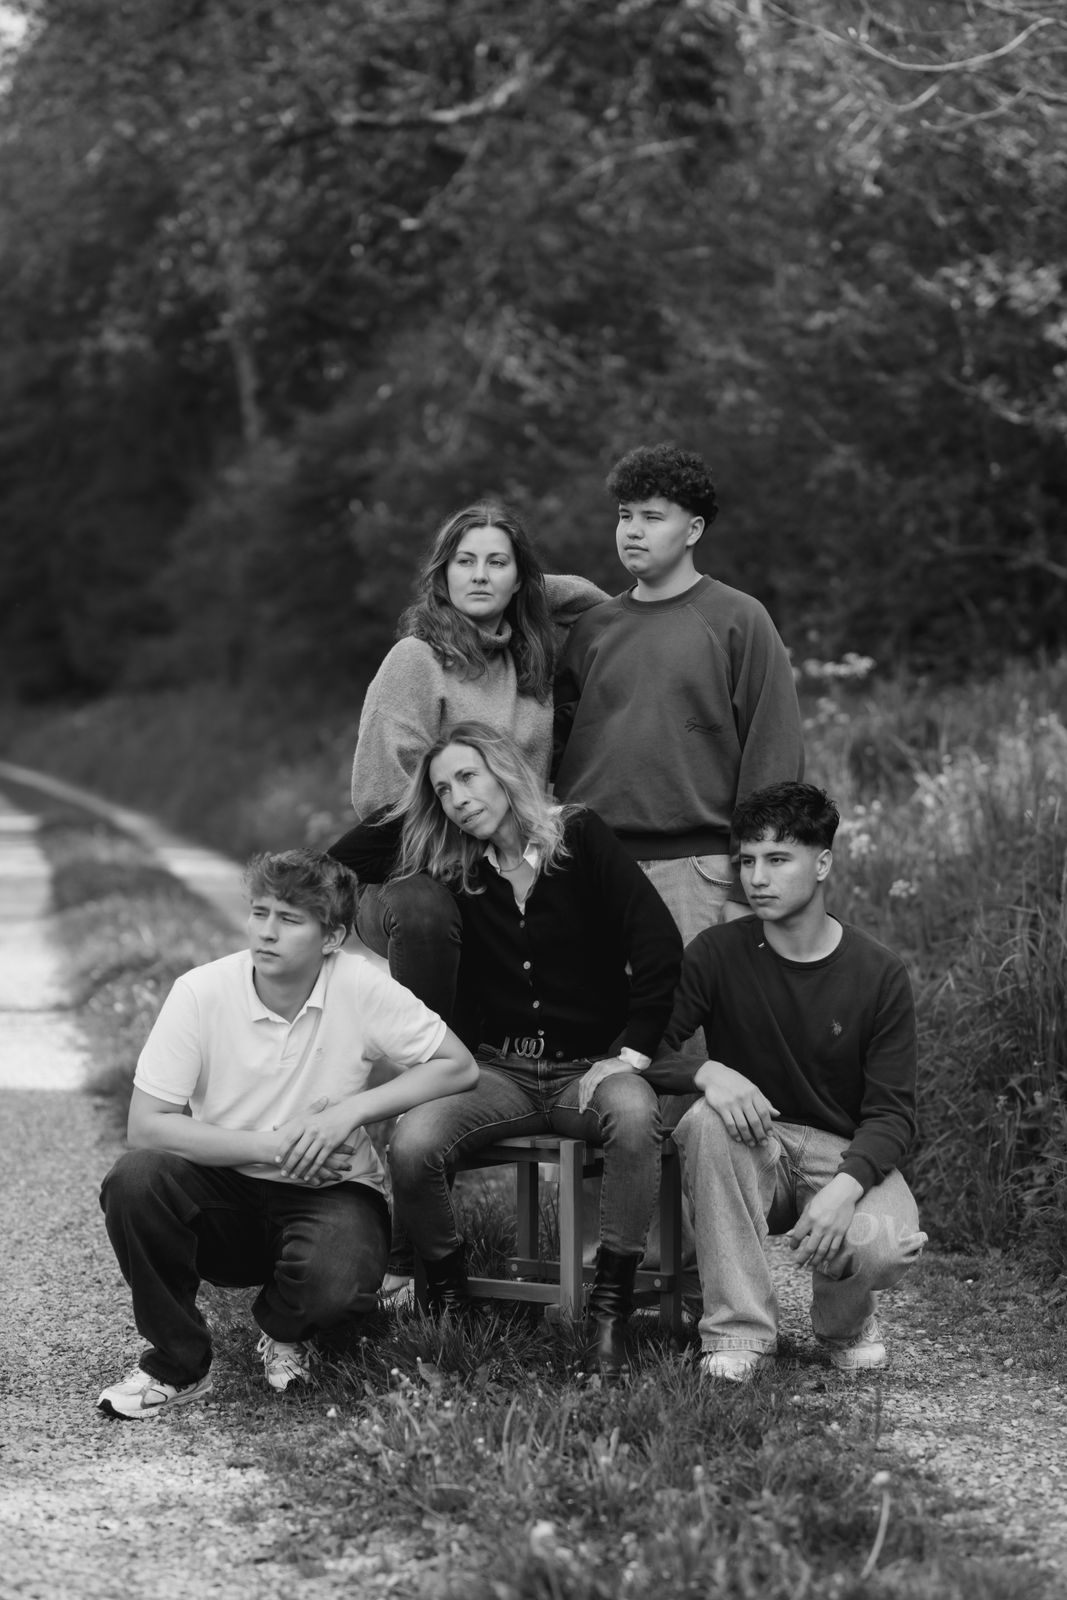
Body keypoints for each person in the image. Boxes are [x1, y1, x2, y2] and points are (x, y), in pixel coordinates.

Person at [330, 722, 683, 1381]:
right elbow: (342, 862)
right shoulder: (456, 869)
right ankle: (451, 1298)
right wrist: (414, 810)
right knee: (412, 1141)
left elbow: (658, 945)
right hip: (502, 1074)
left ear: (504, 771)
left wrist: (631, 1055)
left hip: (588, 1070)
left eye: (468, 776)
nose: (458, 798)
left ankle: (609, 1313)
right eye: (443, 791)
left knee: (636, 1117)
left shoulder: (579, 838)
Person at [96, 849, 477, 1421]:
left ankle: (285, 1330)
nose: (266, 932)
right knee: (135, 1180)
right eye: (259, 913)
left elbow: (458, 1066)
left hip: (331, 1188)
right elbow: (146, 1124)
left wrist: (347, 1114)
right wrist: (273, 1147)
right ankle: (176, 1364)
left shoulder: (358, 985)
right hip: (224, 1189)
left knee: (338, 1285)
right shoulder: (201, 991)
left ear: (332, 938)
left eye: (290, 919)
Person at [646, 782, 927, 1382]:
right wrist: (706, 1070)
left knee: (889, 1242)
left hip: (839, 1153)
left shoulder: (878, 973)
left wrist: (844, 1189)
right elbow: (646, 1048)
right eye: (747, 860)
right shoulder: (716, 952)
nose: (757, 878)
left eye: (778, 859)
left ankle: (842, 1324)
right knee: (705, 1119)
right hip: (755, 1143)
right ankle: (739, 1331)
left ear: (822, 863)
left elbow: (893, 1115)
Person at [351, 500, 604, 1019]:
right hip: (413, 870)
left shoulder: (530, 659)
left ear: (520, 578)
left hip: (515, 861)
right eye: (464, 562)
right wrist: (470, 859)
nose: (480, 576)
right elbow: (380, 796)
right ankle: (431, 1060)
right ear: (442, 576)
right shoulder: (416, 659)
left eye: (497, 563)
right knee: (425, 912)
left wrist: (525, 589)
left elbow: (594, 606)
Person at [553, 443, 805, 945]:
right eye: (625, 515)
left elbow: (773, 758)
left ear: (693, 530)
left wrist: (749, 884)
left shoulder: (738, 619)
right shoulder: (592, 628)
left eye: (652, 517)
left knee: (691, 1000)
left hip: (696, 871)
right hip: (591, 867)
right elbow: (552, 748)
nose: (633, 530)